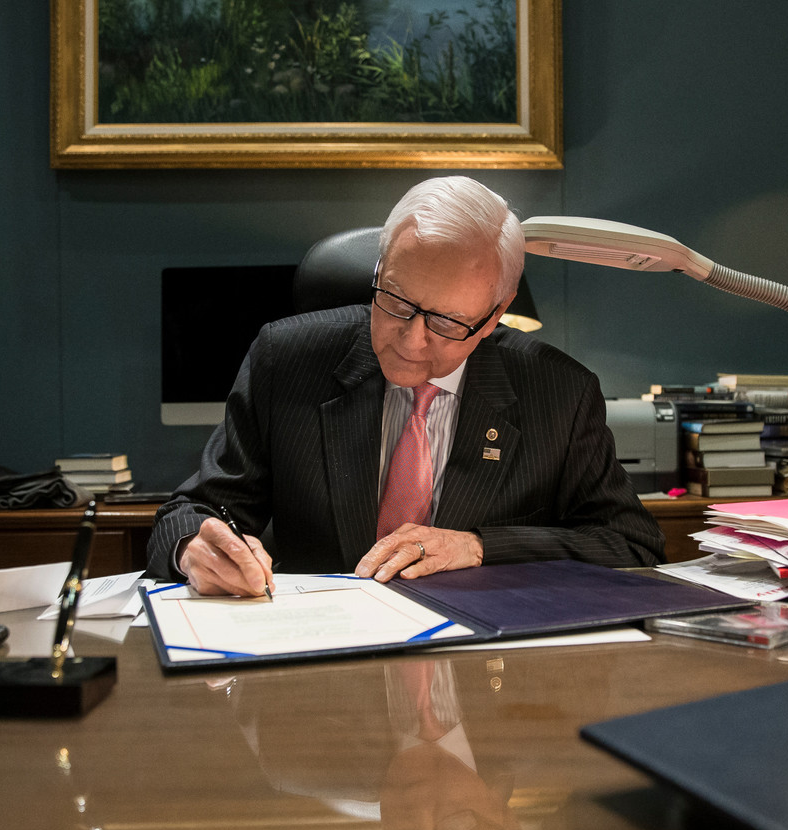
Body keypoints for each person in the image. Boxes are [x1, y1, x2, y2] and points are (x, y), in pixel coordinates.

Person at [147, 176, 664, 595]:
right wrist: (194, 546)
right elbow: (191, 512)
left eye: (446, 323)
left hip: (486, 672)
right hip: (322, 666)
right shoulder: (286, 360)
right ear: (379, 269)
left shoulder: (558, 393)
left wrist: (478, 546)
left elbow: (631, 544)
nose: (411, 342)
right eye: (395, 301)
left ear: (493, 317)